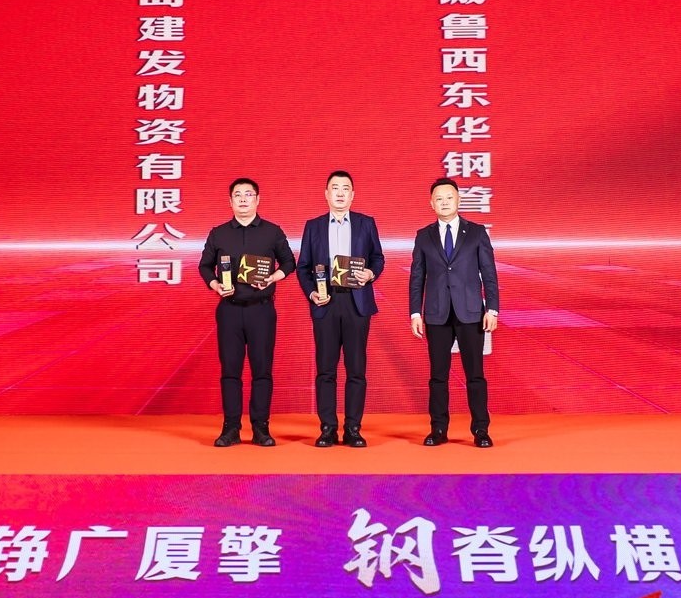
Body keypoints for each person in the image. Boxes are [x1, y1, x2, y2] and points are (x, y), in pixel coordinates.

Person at [198, 177, 296, 447]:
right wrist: (215, 284)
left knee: (262, 370)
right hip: (229, 310)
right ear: (230, 201)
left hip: (261, 311)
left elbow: (289, 262)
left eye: (248, 194)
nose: (243, 199)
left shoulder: (272, 232)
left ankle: (261, 428)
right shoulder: (218, 233)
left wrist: (272, 277)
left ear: (257, 199)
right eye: (238, 195)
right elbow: (204, 266)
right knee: (230, 371)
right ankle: (230, 428)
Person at [296, 170, 386, 447]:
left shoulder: (366, 223)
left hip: (356, 302)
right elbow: (303, 267)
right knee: (326, 369)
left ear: (352, 195)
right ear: (326, 194)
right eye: (335, 188)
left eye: (345, 188)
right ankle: (327, 428)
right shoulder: (313, 226)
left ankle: (353, 428)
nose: (340, 193)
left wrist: (370, 273)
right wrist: (312, 293)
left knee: (356, 369)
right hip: (326, 302)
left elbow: (378, 258)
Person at [408, 176, 499, 447]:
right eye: (439, 199)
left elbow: (489, 273)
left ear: (459, 200)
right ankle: (438, 429)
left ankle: (480, 430)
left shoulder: (477, 233)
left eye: (449, 197)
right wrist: (415, 313)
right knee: (438, 376)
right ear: (431, 203)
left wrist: (492, 309)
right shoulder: (423, 236)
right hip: (436, 314)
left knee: (475, 375)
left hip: (471, 312)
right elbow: (417, 277)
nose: (444, 202)